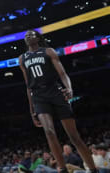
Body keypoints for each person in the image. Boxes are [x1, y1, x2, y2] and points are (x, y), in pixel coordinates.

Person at [18, 30, 98, 173]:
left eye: (31, 34)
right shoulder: (22, 58)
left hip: (55, 91)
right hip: (38, 95)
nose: (28, 36)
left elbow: (62, 73)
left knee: (74, 137)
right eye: (26, 36)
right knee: (49, 132)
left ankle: (93, 169)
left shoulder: (48, 52)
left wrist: (69, 88)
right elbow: (27, 86)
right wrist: (31, 110)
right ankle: (62, 169)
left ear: (38, 38)